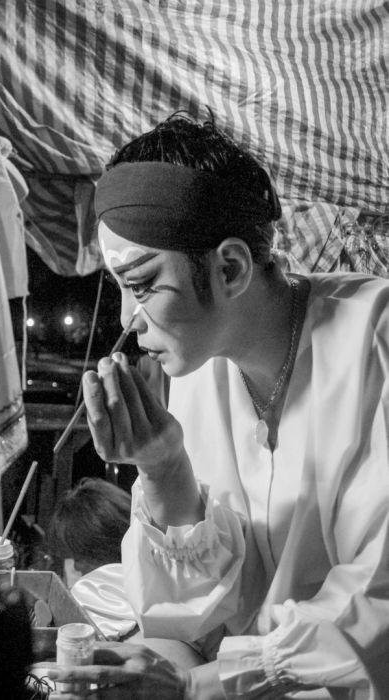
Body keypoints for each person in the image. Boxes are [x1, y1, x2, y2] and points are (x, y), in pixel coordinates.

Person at [47, 114, 389, 699]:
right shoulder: (201, 367)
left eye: (143, 284)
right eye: (120, 287)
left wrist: (196, 685)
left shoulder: (374, 341)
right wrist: (164, 467)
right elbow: (198, 619)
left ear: (229, 268)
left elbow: (377, 600)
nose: (129, 319)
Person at [47, 477, 138, 641]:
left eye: (78, 558)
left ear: (99, 548)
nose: (76, 568)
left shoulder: (91, 590)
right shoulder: (162, 577)